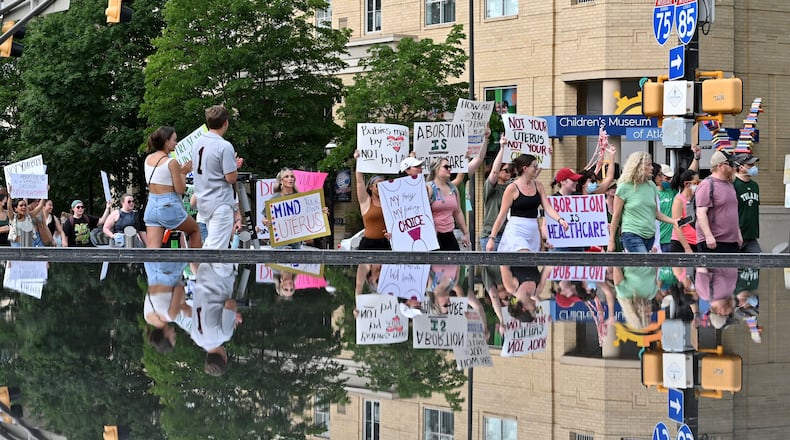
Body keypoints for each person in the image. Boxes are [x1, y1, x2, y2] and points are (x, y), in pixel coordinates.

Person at [486, 154, 569, 253]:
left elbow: (547, 207)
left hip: (533, 229)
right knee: (523, 253)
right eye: (534, 166)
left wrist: (560, 219)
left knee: (530, 265)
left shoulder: (538, 185)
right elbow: (502, 215)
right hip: (516, 229)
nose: (536, 168)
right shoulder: (512, 188)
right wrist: (492, 238)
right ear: (525, 168)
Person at [191, 105, 242, 249]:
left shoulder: (197, 142)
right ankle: (207, 271)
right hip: (219, 201)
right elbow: (231, 178)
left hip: (203, 200)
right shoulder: (224, 145)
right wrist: (233, 167)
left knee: (210, 244)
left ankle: (202, 271)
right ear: (226, 122)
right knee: (217, 249)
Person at [143, 126, 202, 249]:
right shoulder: (171, 162)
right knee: (195, 229)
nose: (176, 143)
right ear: (166, 141)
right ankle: (196, 266)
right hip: (168, 206)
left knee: (152, 250)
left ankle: (152, 268)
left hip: (151, 206)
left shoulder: (148, 159)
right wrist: (183, 172)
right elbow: (180, 190)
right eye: (174, 140)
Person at [607, 152, 678, 253]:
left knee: (643, 267)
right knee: (643, 266)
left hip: (649, 236)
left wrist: (674, 221)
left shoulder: (652, 186)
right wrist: (611, 241)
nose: (652, 168)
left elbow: (656, 213)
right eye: (648, 165)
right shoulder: (624, 187)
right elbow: (616, 215)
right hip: (632, 234)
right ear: (638, 166)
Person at [190, 262, 242, 376]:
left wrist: (233, 318)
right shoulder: (196, 337)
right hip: (202, 274)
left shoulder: (224, 335)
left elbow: (230, 303)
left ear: (225, 358)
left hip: (220, 275)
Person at [695, 151, 742, 253]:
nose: (734, 168)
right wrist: (708, 235)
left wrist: (738, 234)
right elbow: (701, 212)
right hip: (714, 242)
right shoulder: (707, 184)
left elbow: (732, 212)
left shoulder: (730, 185)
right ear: (720, 166)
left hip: (731, 242)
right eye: (731, 164)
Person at [144, 262, 192, 353]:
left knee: (195, 250)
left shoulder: (171, 316)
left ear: (166, 336)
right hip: (151, 269)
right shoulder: (147, 318)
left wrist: (182, 306)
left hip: (169, 270)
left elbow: (179, 288)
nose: (175, 334)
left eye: (173, 337)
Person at [425, 157, 470, 250]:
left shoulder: (453, 188)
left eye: (450, 166)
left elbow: (458, 212)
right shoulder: (428, 188)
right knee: (436, 264)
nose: (449, 169)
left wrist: (466, 233)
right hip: (433, 235)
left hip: (449, 233)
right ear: (436, 169)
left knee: (454, 262)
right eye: (446, 166)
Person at [480, 136, 514, 250]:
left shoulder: (511, 186)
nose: (509, 172)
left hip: (508, 235)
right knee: (493, 268)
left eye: (511, 170)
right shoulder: (490, 187)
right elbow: (494, 172)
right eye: (506, 170)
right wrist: (502, 148)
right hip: (491, 236)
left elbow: (529, 178)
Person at [352, 150, 390, 250]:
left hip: (386, 244)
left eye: (383, 184)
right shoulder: (366, 201)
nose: (381, 187)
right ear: (371, 187)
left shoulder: (390, 202)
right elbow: (359, 182)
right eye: (378, 185)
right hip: (368, 244)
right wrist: (358, 161)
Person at [732, 154, 761, 253]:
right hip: (736, 236)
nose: (754, 167)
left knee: (758, 263)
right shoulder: (733, 184)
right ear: (740, 167)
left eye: (754, 164)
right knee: (732, 266)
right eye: (750, 165)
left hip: (751, 235)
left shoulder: (755, 185)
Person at [669, 169, 700, 253]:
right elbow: (677, 226)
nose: (698, 185)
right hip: (681, 243)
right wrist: (686, 247)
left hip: (697, 241)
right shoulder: (678, 200)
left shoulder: (697, 198)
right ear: (687, 184)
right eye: (696, 183)